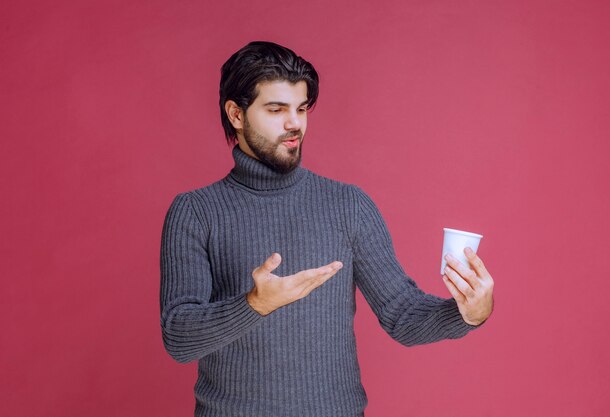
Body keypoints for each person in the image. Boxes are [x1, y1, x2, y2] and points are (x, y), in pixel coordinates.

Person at [160, 41, 494, 417]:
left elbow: (402, 314)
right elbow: (179, 337)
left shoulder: (348, 204)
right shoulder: (194, 212)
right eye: (277, 109)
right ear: (236, 114)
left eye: (301, 109)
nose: (295, 124)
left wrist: (469, 312)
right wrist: (256, 304)